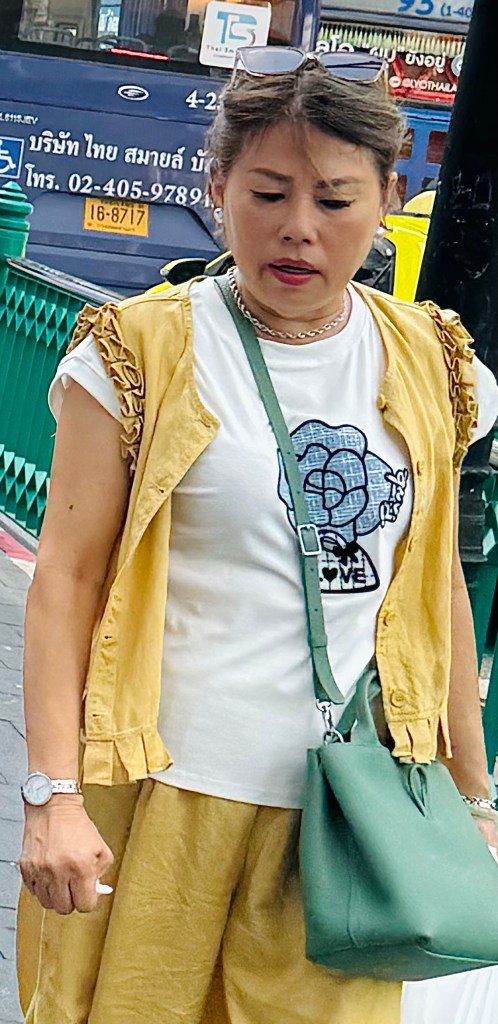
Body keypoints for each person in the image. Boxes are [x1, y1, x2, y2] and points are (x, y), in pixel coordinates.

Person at [17, 48, 498, 1024]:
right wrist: (51, 794)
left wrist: (474, 795)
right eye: (268, 193)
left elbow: (436, 587)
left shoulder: (432, 363)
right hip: (165, 794)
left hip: (350, 817)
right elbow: (64, 579)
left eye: (335, 199)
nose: (298, 228)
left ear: (388, 197)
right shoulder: (140, 352)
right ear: (217, 186)